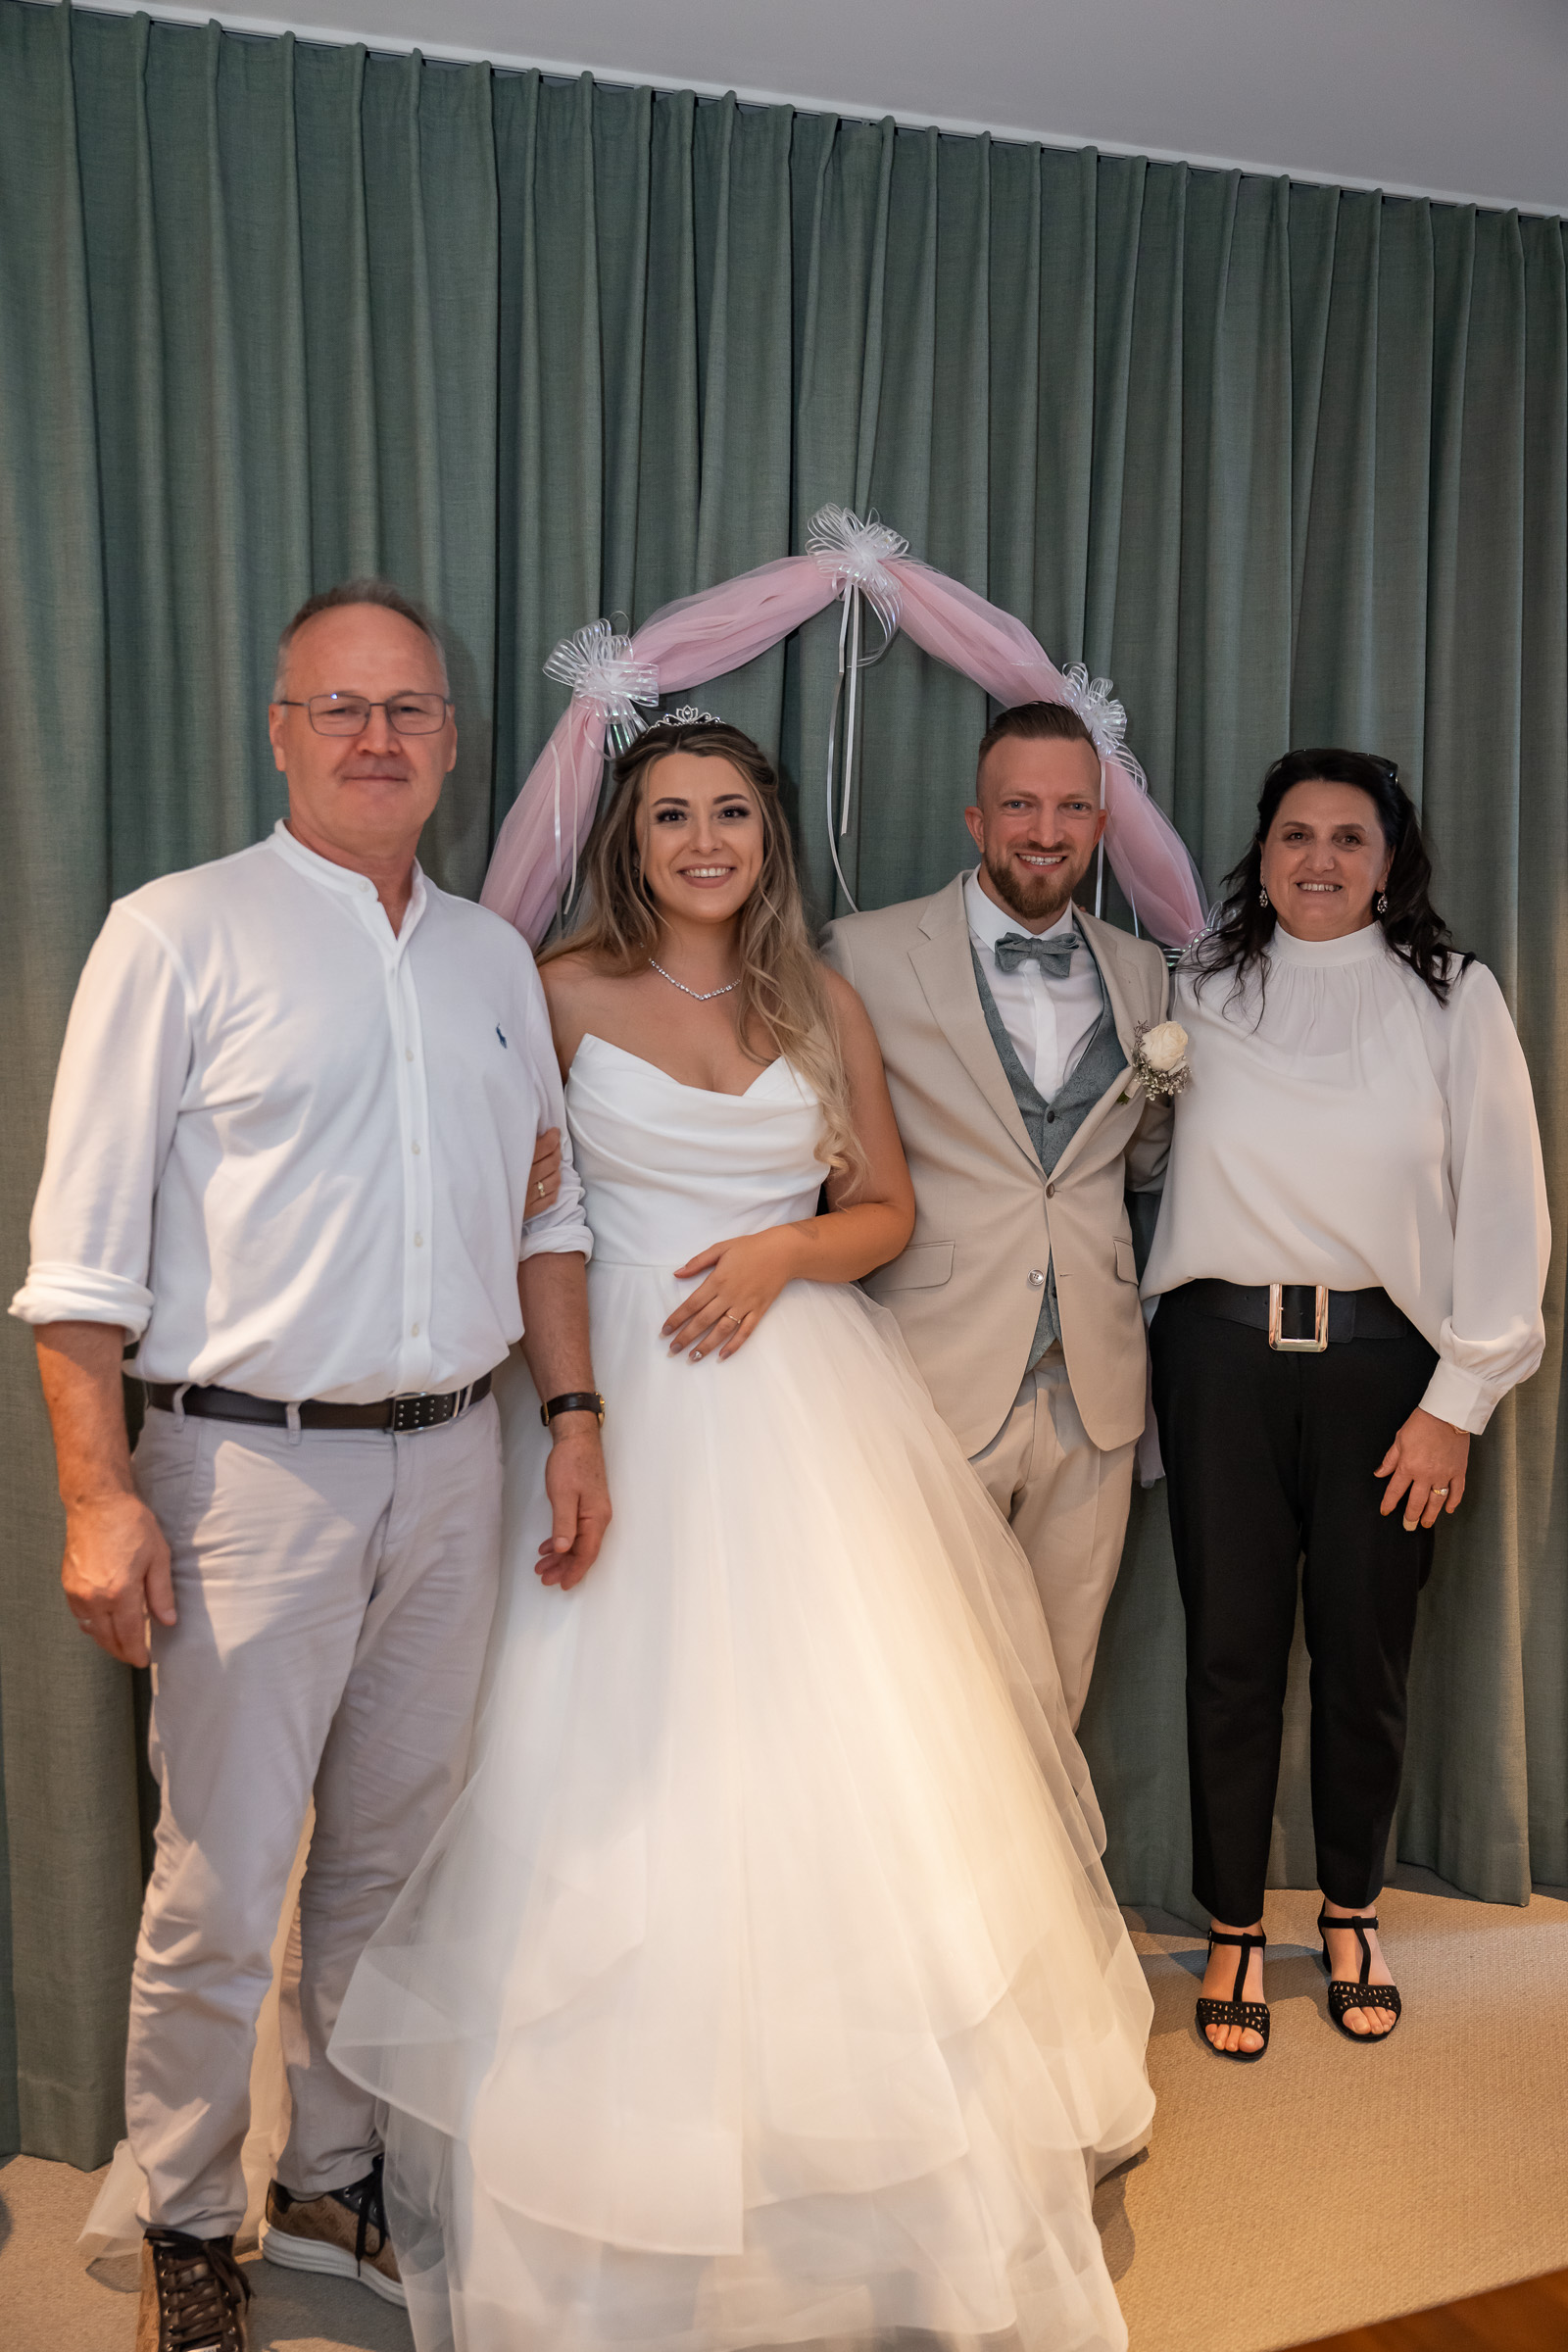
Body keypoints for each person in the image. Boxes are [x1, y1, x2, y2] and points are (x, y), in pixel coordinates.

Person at [330, 713, 1156, 2352]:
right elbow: (536, 1219)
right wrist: (575, 1414)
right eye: (669, 816)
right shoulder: (559, 990)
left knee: (841, 1777)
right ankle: (616, 2182)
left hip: (804, 1403)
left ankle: (860, 2193)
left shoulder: (819, 1003)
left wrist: (784, 1253)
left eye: (728, 813)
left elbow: (888, 1212)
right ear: (628, 842)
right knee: (617, 1780)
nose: (702, 841)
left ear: (768, 833)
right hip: (619, 1398)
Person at [10, 580, 607, 2352]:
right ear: (278, 731)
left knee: (389, 1866)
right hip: (244, 1474)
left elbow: (547, 1216)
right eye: (339, 707)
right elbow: (79, 1266)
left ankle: (335, 2176)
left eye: (407, 708)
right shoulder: (175, 934)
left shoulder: (494, 965)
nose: (376, 737)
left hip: (455, 1463)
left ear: (451, 738)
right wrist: (97, 1498)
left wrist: (574, 1418)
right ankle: (190, 2213)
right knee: (221, 1882)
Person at [1143, 748, 1549, 2061]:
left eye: (1348, 838)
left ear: (1389, 862)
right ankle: (1232, 1928)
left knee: (1365, 1661)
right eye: (1295, 835)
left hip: (1388, 1375)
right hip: (1217, 1360)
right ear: (1260, 854)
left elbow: (1506, 1204)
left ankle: (1353, 1912)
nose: (1319, 859)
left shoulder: (1451, 996)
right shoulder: (1197, 989)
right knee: (1230, 1658)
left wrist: (1458, 1402)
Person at [819, 700, 1172, 1725]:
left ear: (1100, 824)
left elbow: (1143, 1158)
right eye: (1019, 805)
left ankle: (1043, 1846)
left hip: (1094, 1388)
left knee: (1054, 1688)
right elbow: (820, 1145)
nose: (1045, 831)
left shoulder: (1143, 970)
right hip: (933, 1370)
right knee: (919, 1688)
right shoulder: (863, 953)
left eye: (1071, 808)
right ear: (976, 820)